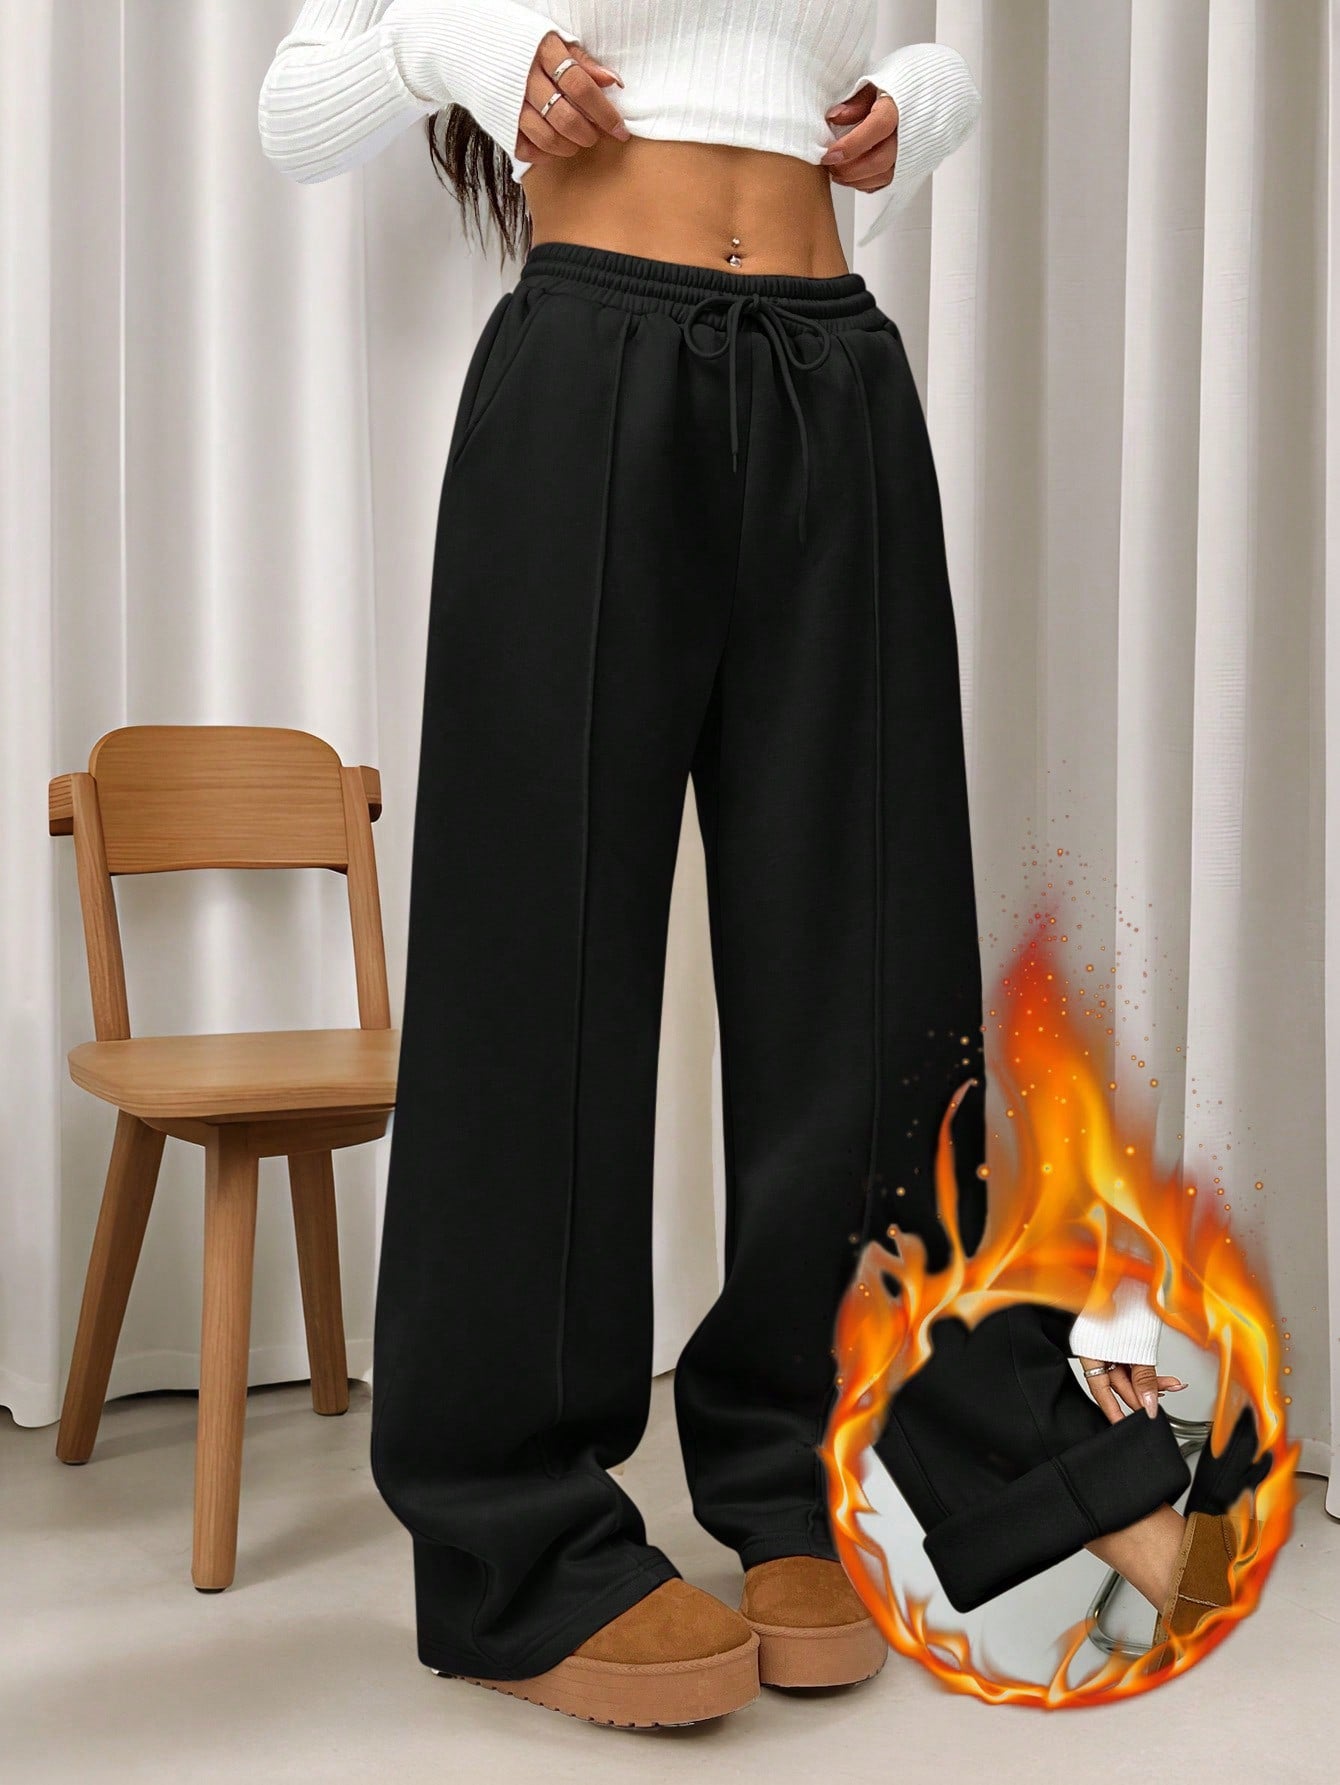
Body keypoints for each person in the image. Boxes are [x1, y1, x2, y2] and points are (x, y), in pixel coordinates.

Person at [258, 0, 1257, 1729]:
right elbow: (296, 106)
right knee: (537, 972)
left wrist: (920, 102)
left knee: (873, 974)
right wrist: (462, 53)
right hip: (589, 363)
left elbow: (870, 64)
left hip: (835, 372)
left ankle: (809, 1471)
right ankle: (519, 1547)